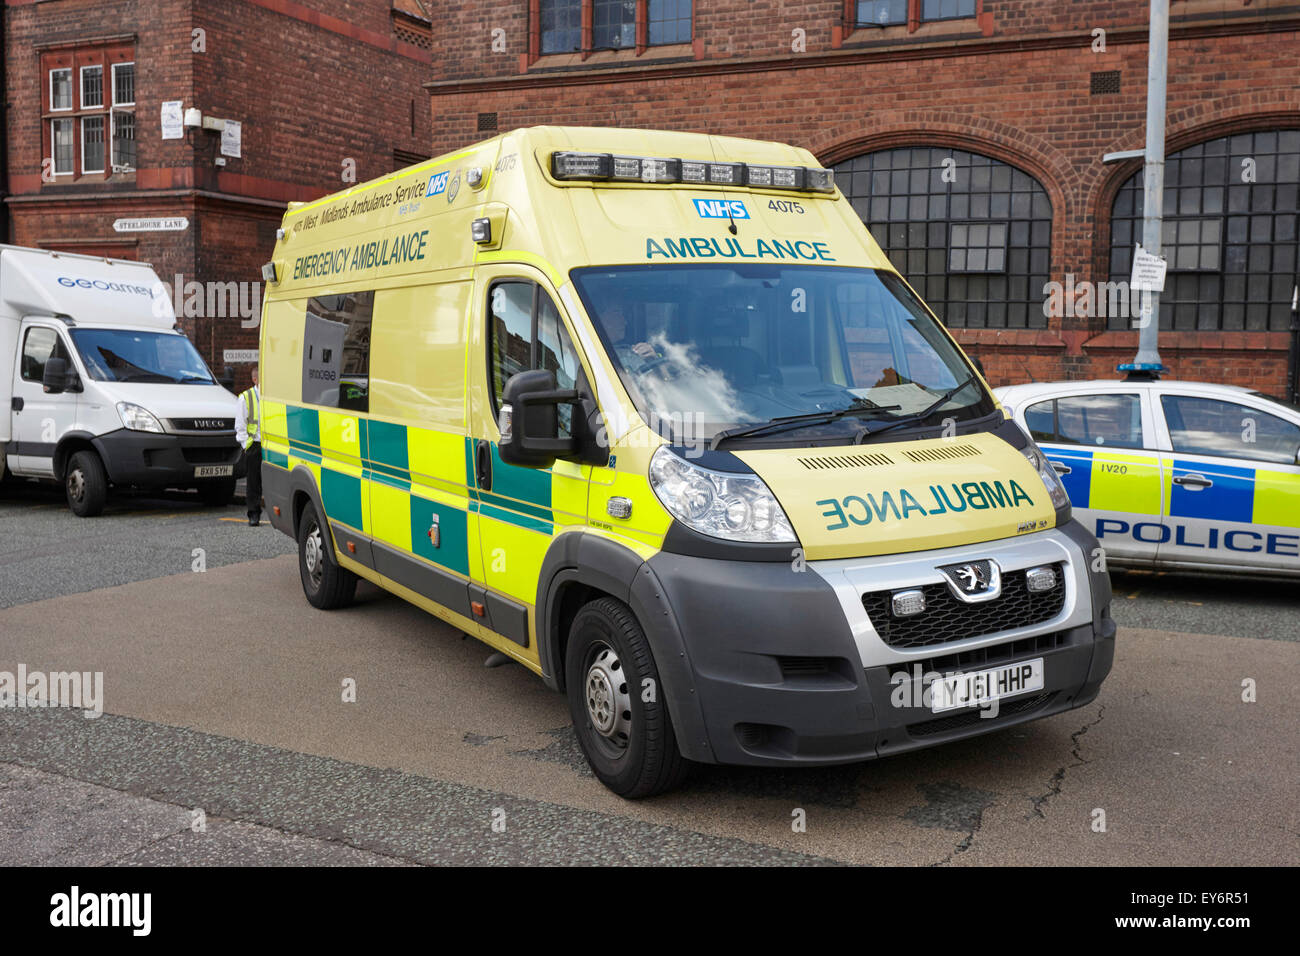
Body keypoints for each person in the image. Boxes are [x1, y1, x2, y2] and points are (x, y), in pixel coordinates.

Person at [234, 366, 262, 526]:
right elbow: (240, 425)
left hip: (271, 444)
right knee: (253, 482)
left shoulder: (271, 397)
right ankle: (254, 513)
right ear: (255, 379)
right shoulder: (246, 397)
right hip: (254, 445)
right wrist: (247, 445)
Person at [603, 307, 659, 372]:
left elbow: (656, 381)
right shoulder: (592, 355)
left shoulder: (628, 354)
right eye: (617, 313)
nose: (624, 322)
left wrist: (653, 362)